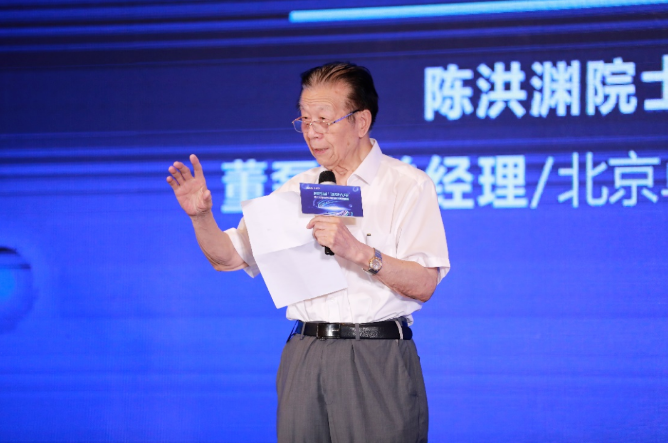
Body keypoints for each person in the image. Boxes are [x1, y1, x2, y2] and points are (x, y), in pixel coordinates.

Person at [166, 62, 450, 443]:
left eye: (324, 120)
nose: (312, 133)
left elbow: (425, 283)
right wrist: (201, 218)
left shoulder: (408, 186)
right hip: (306, 353)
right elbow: (229, 257)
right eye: (304, 120)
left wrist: (358, 251)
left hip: (376, 356)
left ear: (361, 121)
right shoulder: (295, 190)